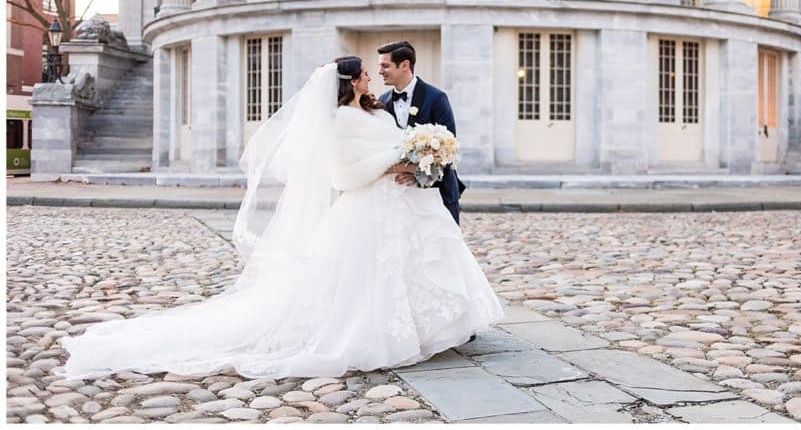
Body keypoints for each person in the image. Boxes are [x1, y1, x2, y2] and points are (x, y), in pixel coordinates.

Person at [59, 57, 502, 379]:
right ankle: (386, 333)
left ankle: (436, 329)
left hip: (405, 205)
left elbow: (396, 144)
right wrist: (395, 166)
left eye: (375, 70)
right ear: (349, 83)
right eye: (366, 73)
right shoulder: (340, 121)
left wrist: (419, 161)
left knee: (421, 263)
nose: (373, 77)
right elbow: (343, 174)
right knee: (371, 279)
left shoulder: (374, 108)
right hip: (371, 206)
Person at [377, 40, 465, 224]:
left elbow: (448, 146)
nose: (379, 71)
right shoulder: (383, 101)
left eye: (385, 66)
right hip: (400, 196)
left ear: (404, 65)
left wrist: (420, 175)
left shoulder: (436, 98)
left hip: (437, 192)